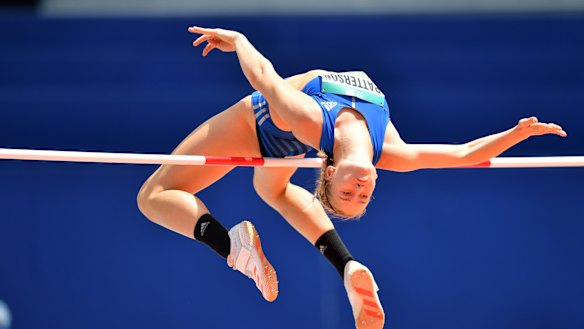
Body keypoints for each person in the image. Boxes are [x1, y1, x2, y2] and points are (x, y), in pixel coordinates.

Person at [137, 26, 566, 329]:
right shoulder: (393, 153)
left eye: (346, 191)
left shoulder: (306, 120)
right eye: (362, 195)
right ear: (375, 179)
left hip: (260, 124)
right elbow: (464, 154)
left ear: (330, 170)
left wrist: (240, 41)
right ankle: (346, 266)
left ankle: (232, 247)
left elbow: (264, 76)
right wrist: (516, 133)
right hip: (289, 143)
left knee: (154, 194)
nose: (358, 188)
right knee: (272, 189)